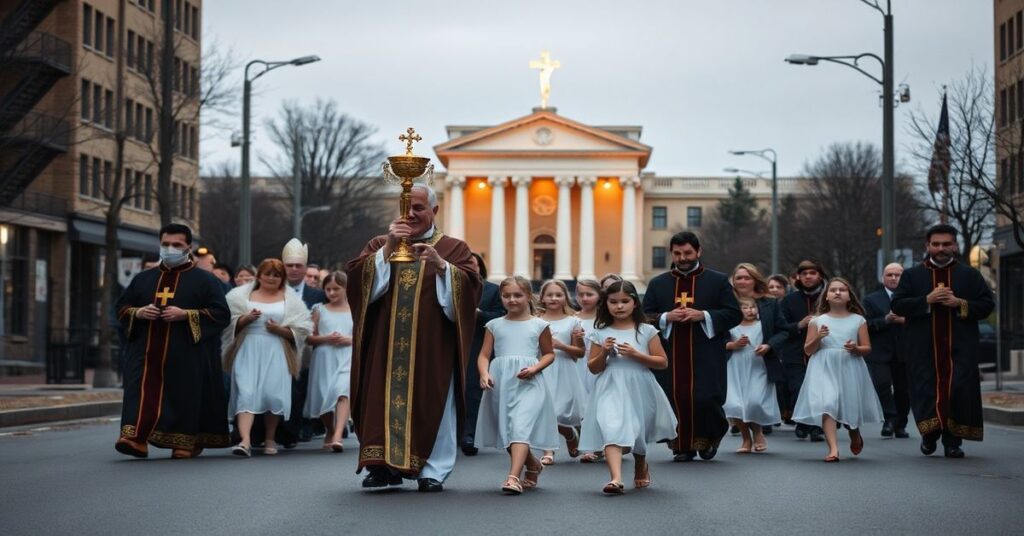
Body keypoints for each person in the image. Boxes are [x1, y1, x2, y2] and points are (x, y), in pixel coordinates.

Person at [346, 185, 481, 492]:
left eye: (419, 208)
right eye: (405, 207)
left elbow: (471, 286)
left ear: (434, 211)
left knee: (435, 403)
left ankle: (432, 469)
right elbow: (356, 284)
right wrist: (387, 250)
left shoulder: (453, 248)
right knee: (381, 400)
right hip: (386, 346)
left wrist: (442, 267)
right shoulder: (380, 243)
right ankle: (382, 467)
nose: (411, 214)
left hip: (432, 347)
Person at [114, 224, 231, 459]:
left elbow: (221, 314)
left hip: (186, 352)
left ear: (189, 247)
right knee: (140, 389)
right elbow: (121, 308)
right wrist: (138, 313)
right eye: (165, 244)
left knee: (184, 393)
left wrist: (186, 315)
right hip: (145, 351)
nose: (170, 249)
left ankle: (185, 441)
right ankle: (135, 438)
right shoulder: (143, 279)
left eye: (176, 245)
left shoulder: (205, 281)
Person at [891, 224, 995, 458]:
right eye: (936, 244)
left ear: (955, 246)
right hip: (923, 349)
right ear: (927, 246)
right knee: (927, 392)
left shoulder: (969, 274)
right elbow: (897, 304)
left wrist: (960, 303)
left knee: (958, 390)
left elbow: (987, 305)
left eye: (946, 244)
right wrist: (926, 300)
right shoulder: (912, 275)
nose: (941, 249)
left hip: (960, 348)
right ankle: (929, 435)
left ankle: (952, 441)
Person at [642, 231, 742, 462]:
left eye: (687, 252)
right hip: (671, 351)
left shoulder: (717, 280)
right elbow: (645, 316)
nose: (683, 258)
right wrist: (667, 317)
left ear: (698, 251)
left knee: (705, 397)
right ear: (672, 253)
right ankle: (682, 445)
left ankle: (709, 438)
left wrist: (704, 315)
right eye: (677, 253)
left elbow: (734, 313)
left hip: (706, 351)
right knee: (676, 397)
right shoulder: (658, 283)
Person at [580, 281, 676, 495]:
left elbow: (662, 362)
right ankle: (615, 477)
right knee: (611, 426)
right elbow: (593, 368)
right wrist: (603, 352)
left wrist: (637, 355)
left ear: (635, 303)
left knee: (638, 430)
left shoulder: (646, 330)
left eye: (625, 301)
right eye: (613, 302)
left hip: (639, 384)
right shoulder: (599, 332)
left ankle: (640, 463)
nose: (619, 306)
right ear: (606, 304)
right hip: (610, 385)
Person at [475, 276, 558, 495]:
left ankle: (513, 477)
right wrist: (484, 373)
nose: (512, 300)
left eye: (517, 295)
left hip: (529, 381)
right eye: (506, 295)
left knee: (519, 427)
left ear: (528, 296)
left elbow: (549, 354)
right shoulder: (494, 325)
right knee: (507, 432)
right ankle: (533, 464)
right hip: (501, 381)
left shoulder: (539, 325)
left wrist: (535, 368)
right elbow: (484, 355)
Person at [222, 259, 313, 457]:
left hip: (276, 350)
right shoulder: (240, 295)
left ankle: (270, 437)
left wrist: (279, 329)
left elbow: (303, 330)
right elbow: (227, 322)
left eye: (276, 274)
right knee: (246, 393)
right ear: (259, 275)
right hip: (248, 349)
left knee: (272, 395)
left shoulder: (292, 299)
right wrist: (246, 319)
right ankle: (244, 441)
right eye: (267, 273)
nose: (271, 278)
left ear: (282, 278)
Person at [793, 277, 882, 462]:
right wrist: (818, 337)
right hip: (823, 366)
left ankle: (854, 432)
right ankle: (833, 449)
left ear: (850, 296)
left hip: (850, 364)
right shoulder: (817, 321)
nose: (837, 292)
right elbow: (808, 350)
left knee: (850, 405)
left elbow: (867, 348)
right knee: (828, 404)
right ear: (826, 296)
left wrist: (856, 349)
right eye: (833, 290)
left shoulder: (858, 320)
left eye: (842, 290)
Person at [281, 238, 327, 445]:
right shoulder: (274, 289)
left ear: (305, 267)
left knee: (301, 390)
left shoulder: (318, 295)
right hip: (279, 346)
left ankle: (297, 428)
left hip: (307, 351)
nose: (293, 269)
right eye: (289, 265)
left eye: (298, 265)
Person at [724, 296, 782, 453]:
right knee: (733, 404)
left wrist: (766, 346)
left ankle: (757, 432)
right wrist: (733, 345)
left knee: (754, 401)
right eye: (745, 307)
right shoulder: (731, 326)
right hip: (734, 366)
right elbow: (718, 343)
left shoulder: (763, 325)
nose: (750, 310)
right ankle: (746, 438)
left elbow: (774, 338)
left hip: (757, 365)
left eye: (753, 307)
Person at [779, 259, 829, 441]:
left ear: (820, 276)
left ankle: (816, 426)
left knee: (820, 390)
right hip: (796, 353)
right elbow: (781, 327)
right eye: (804, 274)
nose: (808, 277)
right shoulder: (789, 300)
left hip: (823, 352)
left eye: (812, 273)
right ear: (798, 277)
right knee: (799, 389)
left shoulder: (828, 297)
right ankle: (802, 421)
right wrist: (799, 325)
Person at [537, 279, 585, 465]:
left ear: (566, 298)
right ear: (542, 298)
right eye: (549, 295)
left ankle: (569, 432)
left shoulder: (574, 322)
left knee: (560, 412)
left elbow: (579, 353)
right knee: (544, 412)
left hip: (564, 370)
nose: (554, 298)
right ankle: (548, 451)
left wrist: (561, 345)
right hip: (543, 369)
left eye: (558, 294)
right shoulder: (536, 321)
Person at [304, 271, 353, 452]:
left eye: (336, 289)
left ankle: (339, 434)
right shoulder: (319, 310)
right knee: (324, 396)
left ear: (346, 289)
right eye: (328, 289)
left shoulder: (356, 309)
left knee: (342, 392)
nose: (331, 293)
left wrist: (350, 340)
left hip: (347, 356)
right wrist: (326, 338)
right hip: (324, 358)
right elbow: (309, 337)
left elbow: (366, 336)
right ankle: (330, 430)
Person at [461, 252, 505, 456]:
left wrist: (480, 315)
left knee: (473, 391)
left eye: (474, 264)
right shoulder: (450, 287)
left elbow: (501, 316)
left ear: (481, 267)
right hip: (453, 344)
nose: (471, 267)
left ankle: (469, 435)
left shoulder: (492, 290)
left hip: (478, 344)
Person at [863, 262, 911, 438]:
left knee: (903, 389)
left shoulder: (913, 297)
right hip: (879, 352)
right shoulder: (871, 299)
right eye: (889, 275)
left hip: (905, 351)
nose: (893, 278)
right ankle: (890, 419)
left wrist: (905, 320)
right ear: (883, 278)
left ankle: (901, 424)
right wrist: (885, 320)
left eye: (897, 275)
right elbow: (864, 324)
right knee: (882, 385)